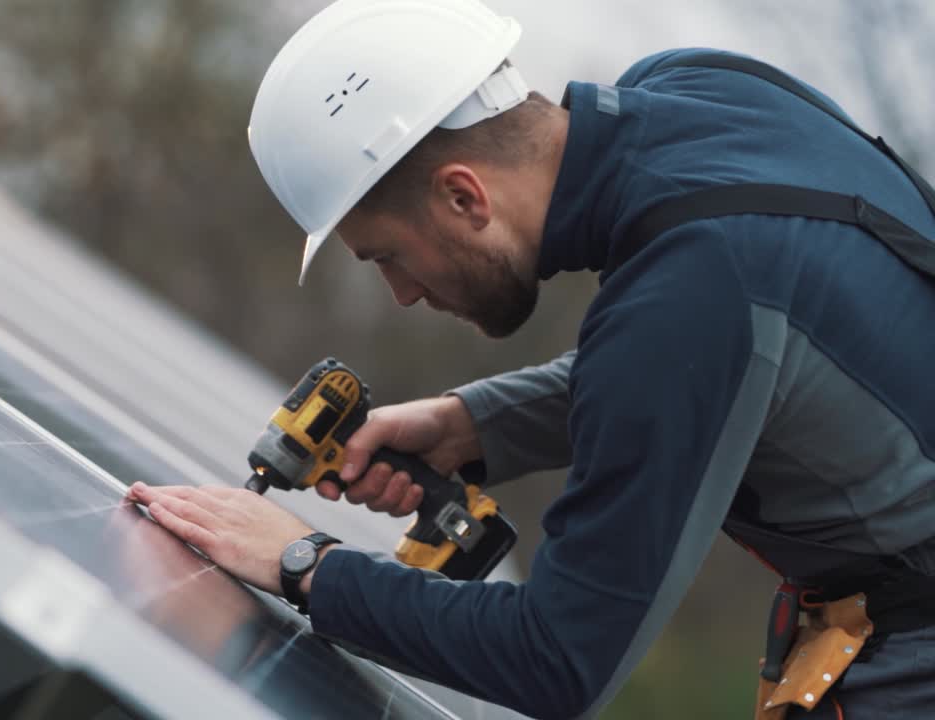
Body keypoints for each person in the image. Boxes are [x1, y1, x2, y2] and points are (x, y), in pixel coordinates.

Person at [128, 1, 935, 717]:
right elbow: (730, 357)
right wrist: (471, 424)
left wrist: (304, 562)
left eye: (387, 257)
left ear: (463, 198)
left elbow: (558, 658)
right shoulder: (700, 88)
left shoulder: (689, 291)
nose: (403, 295)